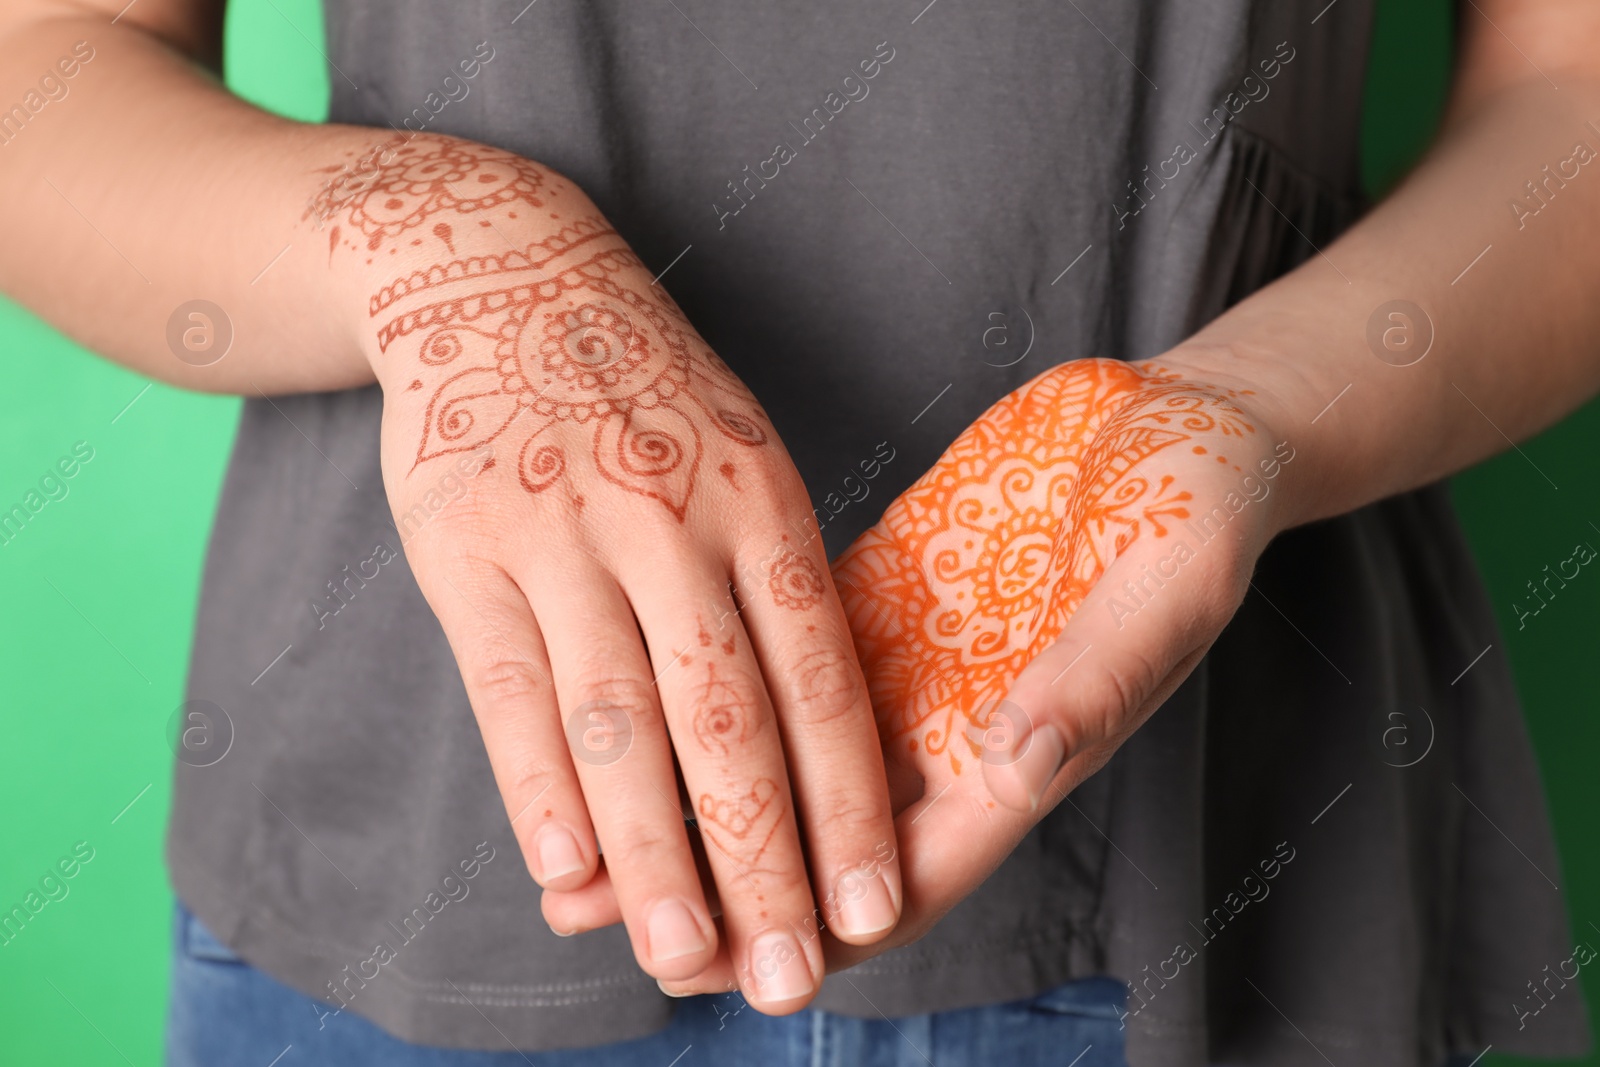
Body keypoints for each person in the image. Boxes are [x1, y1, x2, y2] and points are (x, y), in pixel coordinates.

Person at [1, 0, 1595, 1063]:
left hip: (1216, 844)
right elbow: (50, 74)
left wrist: (1250, 409)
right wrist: (451, 253)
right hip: (410, 839)